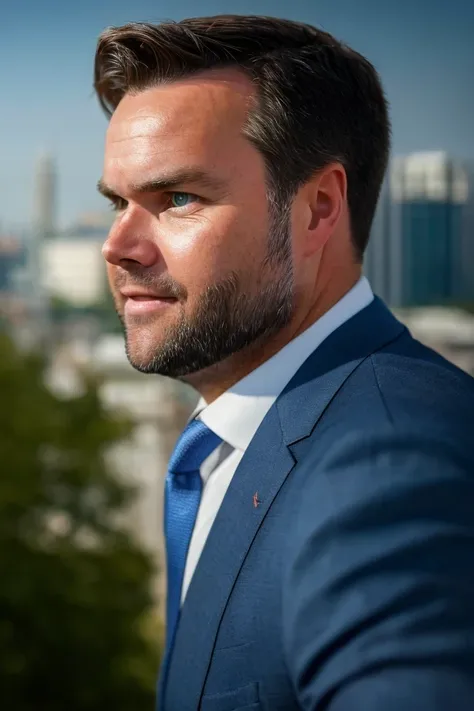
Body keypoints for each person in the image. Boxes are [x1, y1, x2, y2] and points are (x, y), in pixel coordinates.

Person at [94, 15, 474, 711]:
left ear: (317, 208)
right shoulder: (244, 433)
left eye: (177, 198)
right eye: (118, 202)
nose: (117, 246)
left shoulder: (390, 461)